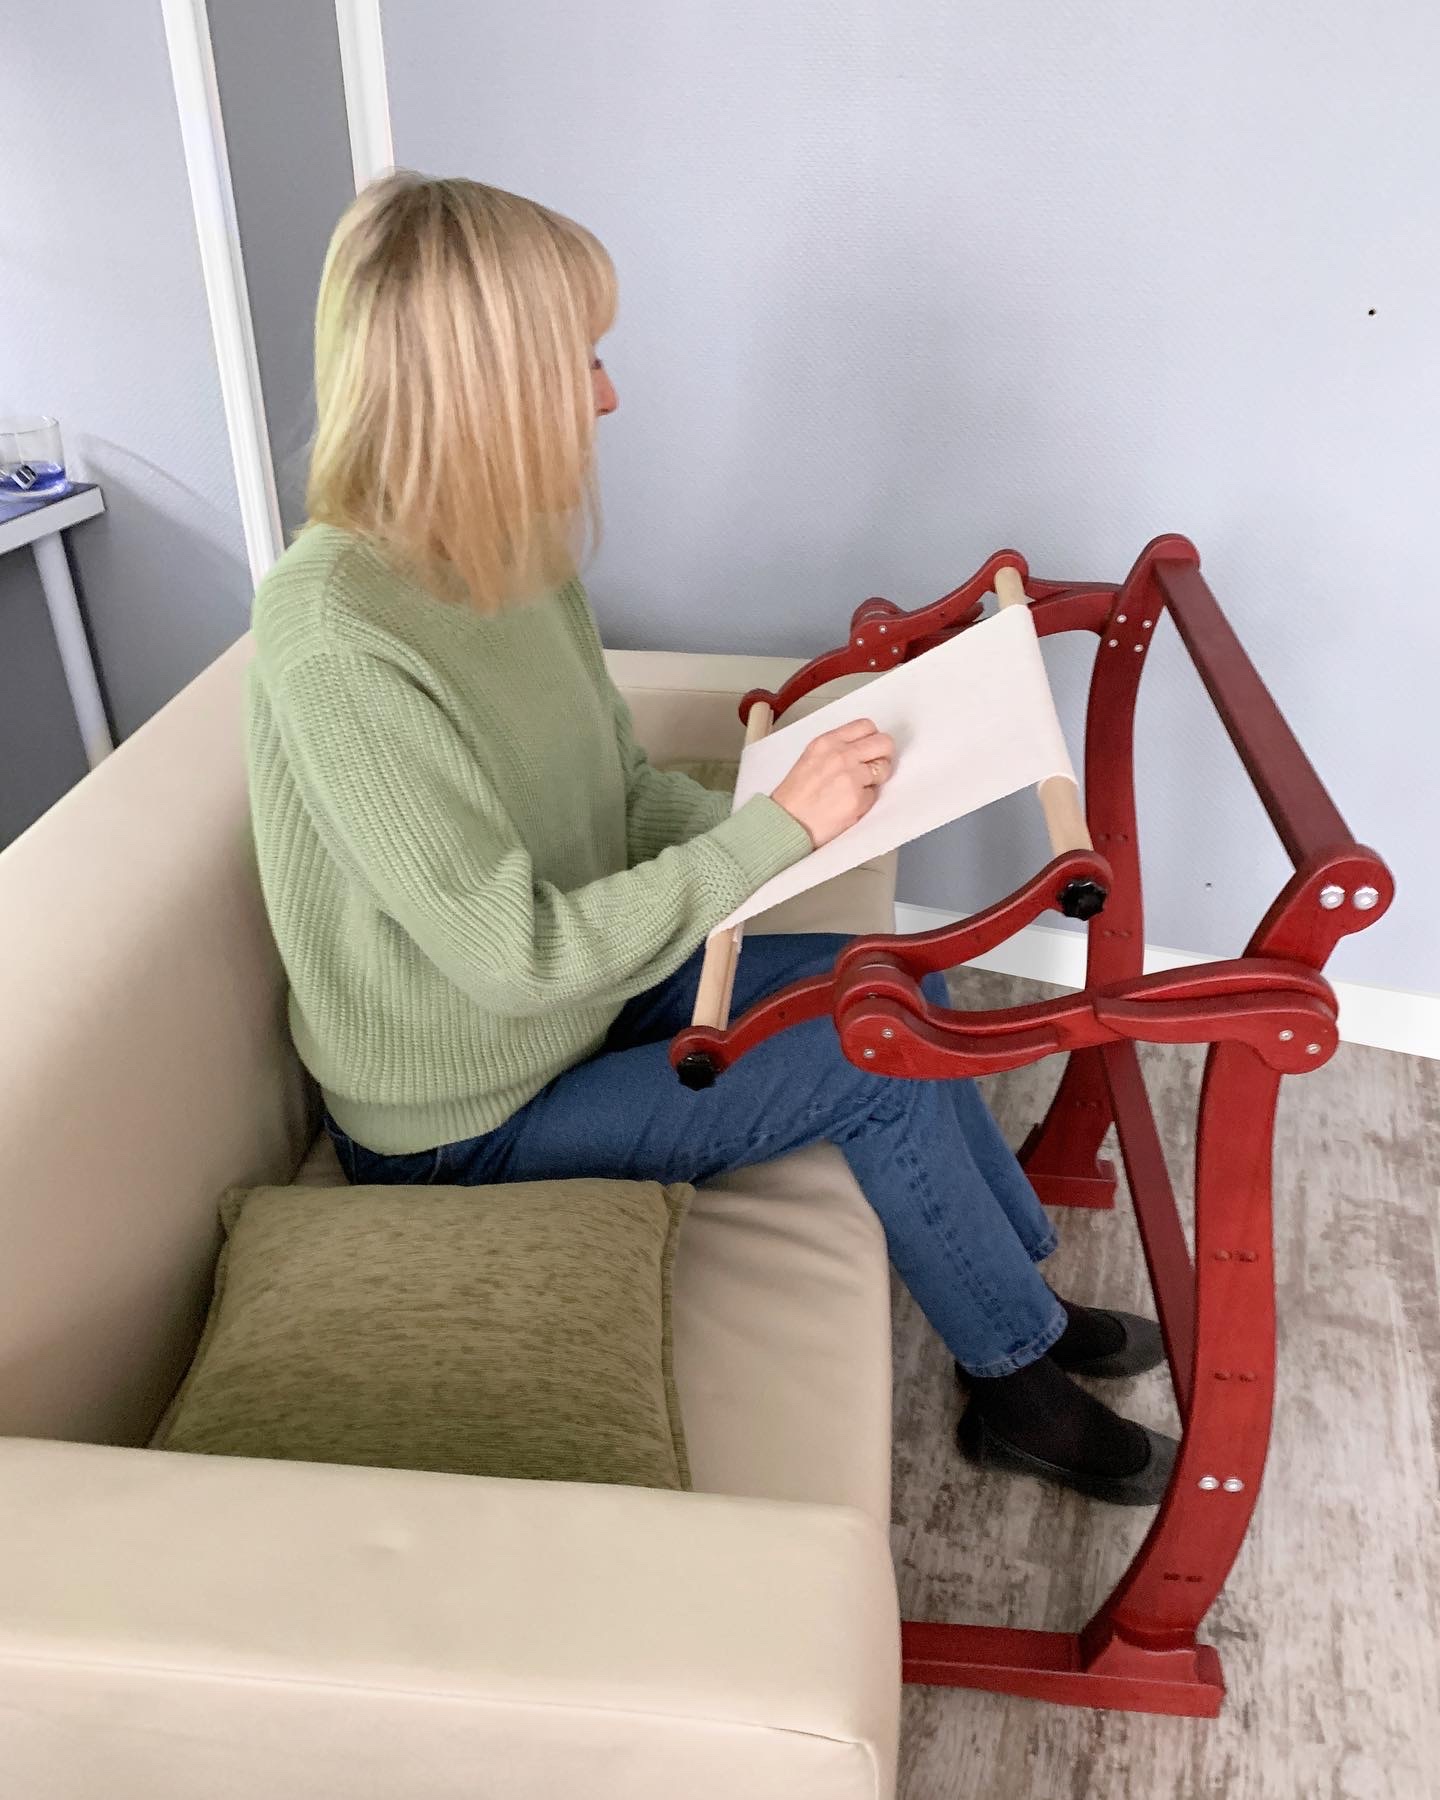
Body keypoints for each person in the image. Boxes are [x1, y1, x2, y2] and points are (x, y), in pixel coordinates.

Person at [247, 171, 1176, 1504]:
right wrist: (774, 834)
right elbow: (515, 958)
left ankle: (1022, 1295)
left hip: (584, 1005)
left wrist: (805, 814)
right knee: (866, 1061)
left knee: (888, 975)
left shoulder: (512, 556)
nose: (609, 396)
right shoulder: (334, 635)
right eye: (582, 361)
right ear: (486, 388)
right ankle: (1020, 1393)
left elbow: (622, 798)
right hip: (465, 1115)